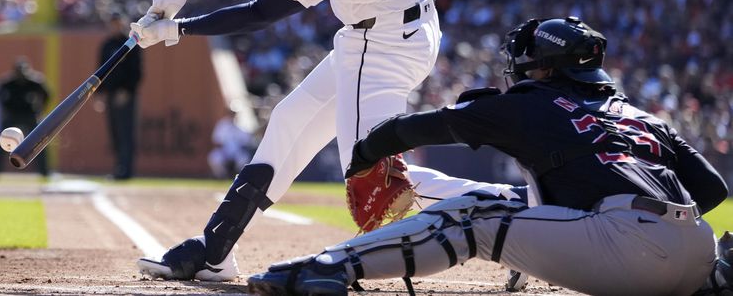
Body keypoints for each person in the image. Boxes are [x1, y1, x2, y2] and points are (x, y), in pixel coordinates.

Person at [130, 0, 501, 281]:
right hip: (378, 31)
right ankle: (215, 252)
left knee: (375, 177)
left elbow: (259, 14)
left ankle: (514, 211)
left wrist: (176, 30)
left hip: (384, 45)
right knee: (289, 121)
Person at [247, 16, 731, 296]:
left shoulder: (530, 102)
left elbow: (427, 126)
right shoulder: (641, 115)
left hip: (633, 249)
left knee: (473, 217)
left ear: (540, 66)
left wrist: (366, 152)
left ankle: (329, 267)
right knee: (510, 197)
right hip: (697, 253)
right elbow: (713, 190)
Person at [97, 13, 143, 180]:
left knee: (126, 133)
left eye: (117, 23)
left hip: (125, 95)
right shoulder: (106, 45)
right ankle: (118, 168)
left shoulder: (130, 43)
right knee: (114, 133)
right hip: (110, 94)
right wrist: (99, 93)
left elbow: (136, 71)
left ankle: (127, 170)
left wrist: (127, 91)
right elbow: (100, 70)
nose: (115, 27)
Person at [0, 57, 50, 177]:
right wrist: (5, 106)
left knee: (39, 141)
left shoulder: (35, 82)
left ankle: (45, 172)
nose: (21, 75)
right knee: (1, 142)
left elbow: (47, 94)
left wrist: (41, 109)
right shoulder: (7, 82)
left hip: (30, 115)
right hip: (12, 115)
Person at [208, 106, 254, 179]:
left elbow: (247, 142)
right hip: (224, 151)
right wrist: (225, 153)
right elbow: (216, 141)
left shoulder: (242, 124)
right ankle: (221, 177)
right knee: (215, 157)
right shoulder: (222, 124)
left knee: (243, 159)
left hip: (238, 152)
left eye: (234, 113)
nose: (232, 115)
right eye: (231, 113)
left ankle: (240, 178)